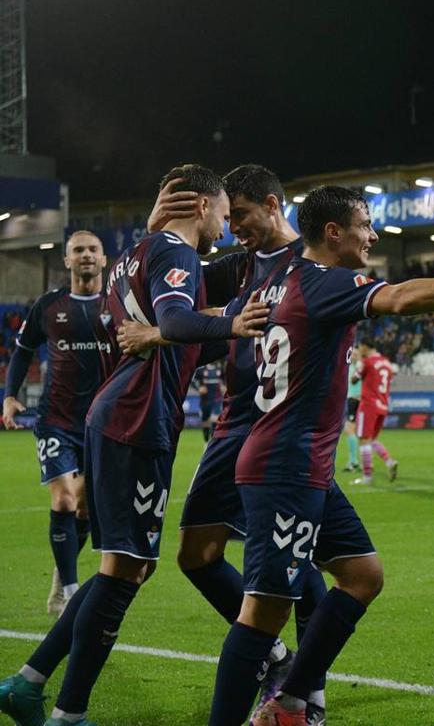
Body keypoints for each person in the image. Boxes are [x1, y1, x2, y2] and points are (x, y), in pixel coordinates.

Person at [205, 185, 434, 726]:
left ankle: (289, 701)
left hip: (303, 465)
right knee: (262, 614)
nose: (374, 234)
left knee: (363, 575)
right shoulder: (324, 281)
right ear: (334, 233)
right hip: (285, 466)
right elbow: (400, 299)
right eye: (366, 224)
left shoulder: (280, 279)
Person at [0, 164, 269, 726]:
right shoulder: (174, 251)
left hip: (119, 413)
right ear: (201, 207)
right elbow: (175, 321)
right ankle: (68, 715)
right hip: (136, 417)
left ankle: (29, 684)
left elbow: (177, 338)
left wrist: (230, 323)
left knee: (126, 568)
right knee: (125, 571)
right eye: (223, 212)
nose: (225, 224)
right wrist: (233, 324)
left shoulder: (139, 253)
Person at [123, 163, 334, 721]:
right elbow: (175, 294)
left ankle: (306, 690)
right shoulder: (239, 266)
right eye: (228, 215)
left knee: (302, 563)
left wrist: (164, 332)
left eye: (239, 215)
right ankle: (275, 654)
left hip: (283, 425)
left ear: (272, 204)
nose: (232, 225)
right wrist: (156, 235)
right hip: (231, 423)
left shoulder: (308, 264)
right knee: (197, 556)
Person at [2, 231, 109, 618]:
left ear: (104, 259)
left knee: (82, 510)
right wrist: (10, 396)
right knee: (63, 498)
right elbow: (22, 351)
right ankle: (70, 591)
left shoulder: (119, 305)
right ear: (66, 261)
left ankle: (60, 577)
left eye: (92, 250)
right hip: (55, 420)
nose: (85, 255)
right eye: (77, 250)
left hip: (101, 423)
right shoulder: (49, 306)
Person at [352, 338, 398, 484]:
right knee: (371, 440)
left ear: (365, 347)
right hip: (383, 406)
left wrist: (359, 360)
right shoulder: (387, 363)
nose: (358, 350)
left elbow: (354, 379)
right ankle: (389, 462)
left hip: (368, 405)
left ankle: (367, 477)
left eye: (359, 347)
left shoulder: (368, 362)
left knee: (363, 440)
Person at [339, 349, 362, 472]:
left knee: (349, 430)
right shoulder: (352, 368)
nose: (352, 355)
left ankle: (354, 462)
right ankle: (354, 461)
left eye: (355, 354)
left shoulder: (359, 368)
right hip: (353, 400)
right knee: (351, 431)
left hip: (354, 401)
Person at [194, 361, 224, 442]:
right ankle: (206, 442)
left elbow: (225, 381)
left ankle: (212, 443)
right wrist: (199, 388)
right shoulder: (201, 370)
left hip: (217, 399)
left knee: (214, 419)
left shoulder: (220, 368)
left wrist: (223, 387)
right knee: (205, 421)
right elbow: (194, 381)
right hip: (205, 400)